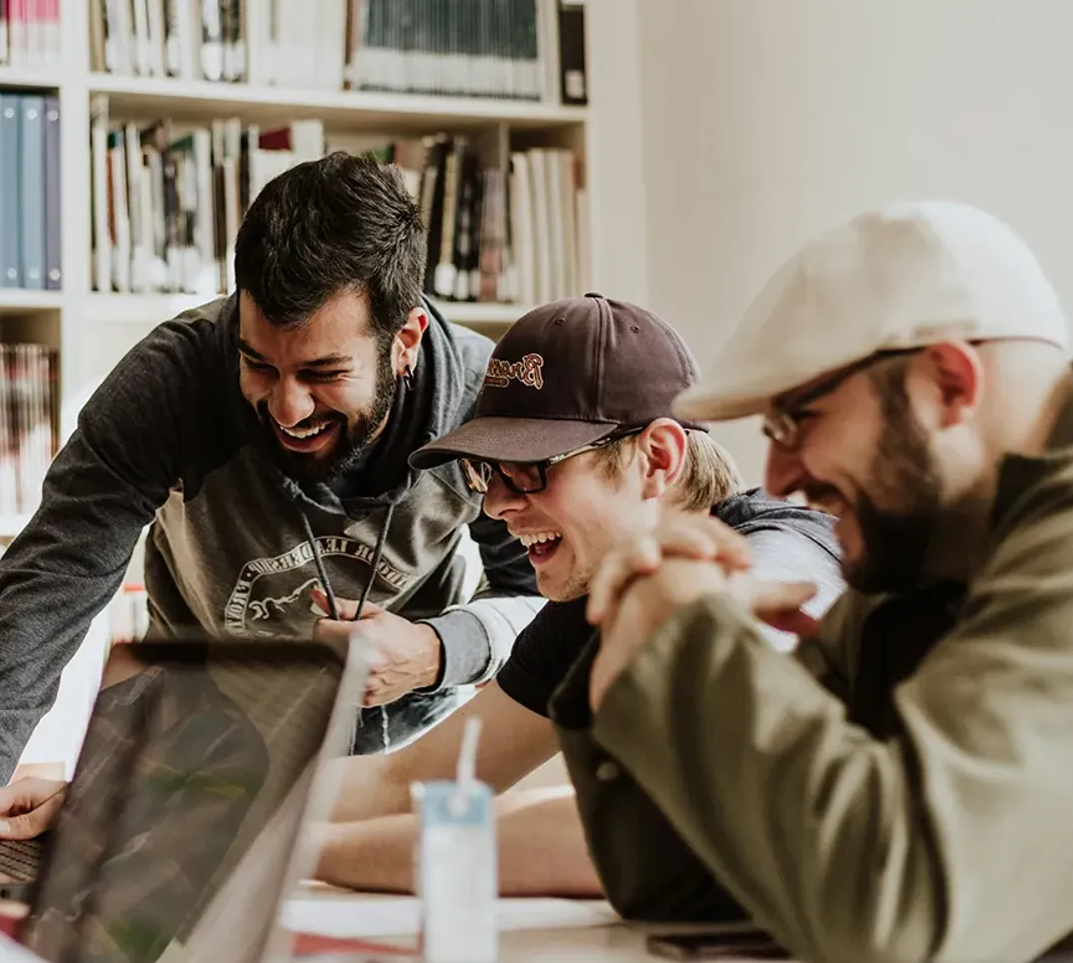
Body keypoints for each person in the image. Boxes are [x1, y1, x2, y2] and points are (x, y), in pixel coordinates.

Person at [561, 199, 1073, 960]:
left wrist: (686, 641)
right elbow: (694, 887)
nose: (778, 476)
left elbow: (899, 916)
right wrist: (640, 643)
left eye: (798, 419)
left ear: (949, 383)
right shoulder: (936, 556)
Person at [0, 154, 544, 834]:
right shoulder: (170, 382)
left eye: (324, 372)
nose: (288, 408)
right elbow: (50, 584)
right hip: (195, 764)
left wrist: (437, 649)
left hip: (398, 778)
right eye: (259, 363)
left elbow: (541, 599)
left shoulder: (481, 401)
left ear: (405, 340)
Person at [306, 294, 842, 896]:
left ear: (657, 459)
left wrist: (297, 854)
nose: (495, 505)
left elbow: (644, 828)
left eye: (530, 468)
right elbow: (412, 780)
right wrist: (224, 808)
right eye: (488, 472)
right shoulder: (592, 602)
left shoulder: (784, 559)